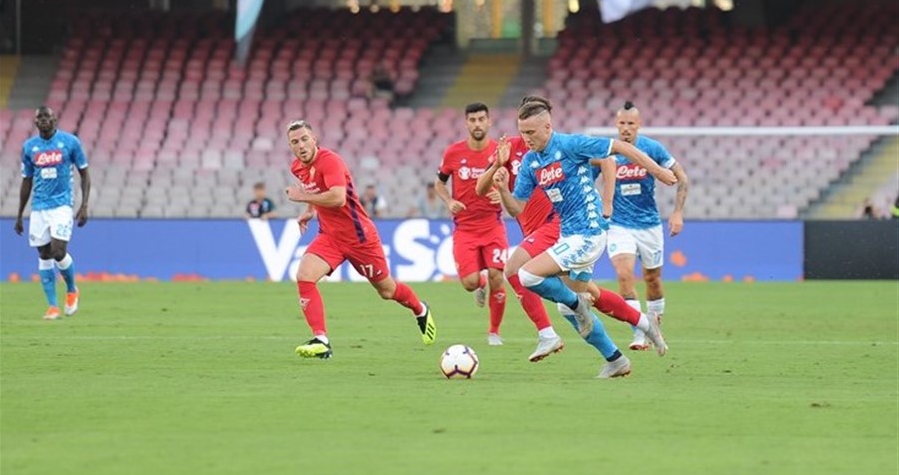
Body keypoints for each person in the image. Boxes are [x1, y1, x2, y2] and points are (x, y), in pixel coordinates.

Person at [492, 97, 676, 378]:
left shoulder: (570, 144)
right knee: (578, 301)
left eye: (531, 132)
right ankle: (629, 343)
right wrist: (504, 189)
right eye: (522, 132)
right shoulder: (531, 161)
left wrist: (659, 171)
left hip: (589, 232)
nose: (526, 139)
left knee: (527, 275)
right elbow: (517, 207)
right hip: (570, 235)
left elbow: (620, 148)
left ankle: (580, 307)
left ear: (547, 127)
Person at [284, 120, 435, 359]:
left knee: (386, 290)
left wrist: (302, 197)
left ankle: (420, 308)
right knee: (304, 276)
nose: (301, 145)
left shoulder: (330, 161)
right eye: (295, 142)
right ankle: (321, 340)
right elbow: (314, 188)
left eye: (304, 139)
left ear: (314, 139)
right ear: (290, 146)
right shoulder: (297, 167)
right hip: (330, 236)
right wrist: (309, 211)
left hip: (359, 238)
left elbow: (338, 198)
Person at [607, 101, 690, 351]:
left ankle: (654, 326)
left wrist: (677, 212)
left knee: (652, 278)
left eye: (631, 123)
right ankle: (639, 332)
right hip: (619, 224)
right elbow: (588, 180)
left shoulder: (652, 148)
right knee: (624, 275)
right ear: (616, 124)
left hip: (649, 226)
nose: (626, 128)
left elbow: (682, 178)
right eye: (622, 123)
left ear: (639, 125)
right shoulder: (608, 151)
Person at [435, 102, 508, 345]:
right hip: (465, 228)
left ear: (489, 121)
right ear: (466, 123)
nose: (477, 124)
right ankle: (480, 284)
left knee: (497, 275)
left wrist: (504, 195)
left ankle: (494, 332)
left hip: (492, 225)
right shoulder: (453, 153)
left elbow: (518, 181)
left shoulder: (500, 152)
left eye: (481, 119)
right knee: (469, 283)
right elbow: (439, 183)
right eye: (473, 120)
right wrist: (449, 201)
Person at [14, 106, 90, 320]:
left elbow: (85, 174)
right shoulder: (29, 147)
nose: (43, 120)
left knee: (58, 251)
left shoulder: (70, 142)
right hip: (39, 207)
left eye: (47, 116)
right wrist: (19, 215)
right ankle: (53, 307)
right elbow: (26, 181)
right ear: (35, 122)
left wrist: (84, 205)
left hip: (62, 205)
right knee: (44, 254)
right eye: (39, 117)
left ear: (55, 119)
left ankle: (72, 289)